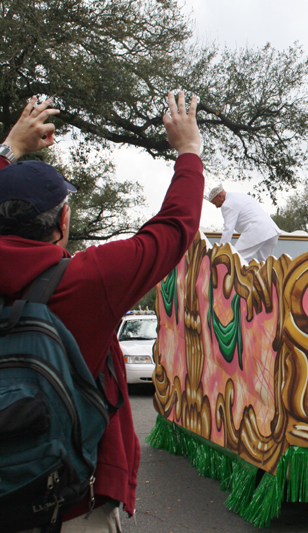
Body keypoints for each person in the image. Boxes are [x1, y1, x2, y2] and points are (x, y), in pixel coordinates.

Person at [0, 91, 204, 531]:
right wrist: (189, 151)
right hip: (67, 505)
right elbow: (174, 228)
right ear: (63, 221)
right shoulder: (87, 281)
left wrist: (9, 149)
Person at [206, 184, 281, 263]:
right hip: (272, 230)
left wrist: (220, 251)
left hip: (256, 229)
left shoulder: (227, 204)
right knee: (265, 264)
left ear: (220, 196)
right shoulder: (241, 196)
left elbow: (228, 230)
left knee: (237, 260)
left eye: (215, 203)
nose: (217, 206)